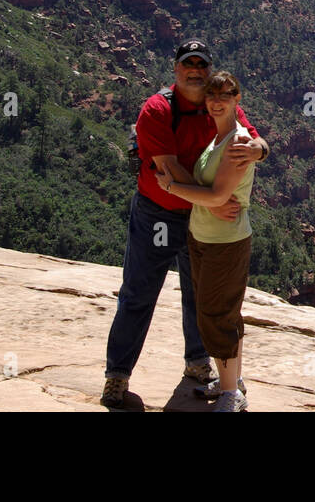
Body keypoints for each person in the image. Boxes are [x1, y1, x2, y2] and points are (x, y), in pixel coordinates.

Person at [102, 39, 269, 410]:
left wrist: (261, 149)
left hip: (201, 219)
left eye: (201, 64)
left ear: (208, 71)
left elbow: (251, 137)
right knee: (138, 294)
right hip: (158, 215)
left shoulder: (218, 104)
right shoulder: (157, 109)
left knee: (200, 294)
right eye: (187, 64)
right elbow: (171, 170)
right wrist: (214, 201)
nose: (194, 70)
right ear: (175, 69)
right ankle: (117, 376)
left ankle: (198, 363)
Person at [155, 70, 259, 412]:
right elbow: (212, 198)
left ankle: (231, 396)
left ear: (237, 100)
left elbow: (217, 195)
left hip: (225, 243)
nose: (217, 101)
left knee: (217, 316)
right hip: (203, 238)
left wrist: (170, 187)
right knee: (221, 313)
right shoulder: (218, 138)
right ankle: (233, 381)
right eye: (212, 95)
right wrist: (208, 202)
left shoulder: (238, 143)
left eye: (225, 95)